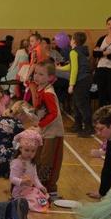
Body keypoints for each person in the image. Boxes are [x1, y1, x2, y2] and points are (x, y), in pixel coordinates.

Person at [28, 61, 65, 197]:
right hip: (45, 132)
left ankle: (50, 190)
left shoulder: (48, 93)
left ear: (50, 77)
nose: (36, 76)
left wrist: (40, 124)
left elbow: (53, 114)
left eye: (41, 74)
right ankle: (40, 186)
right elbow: (42, 109)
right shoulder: (41, 89)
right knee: (40, 159)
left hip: (53, 133)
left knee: (48, 162)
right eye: (35, 73)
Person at [0, 100, 34, 177]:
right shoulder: (17, 124)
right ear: (21, 114)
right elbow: (23, 144)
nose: (27, 119)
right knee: (27, 148)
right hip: (0, 164)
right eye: (27, 116)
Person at [57, 32, 93, 136]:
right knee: (77, 104)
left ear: (74, 40)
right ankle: (78, 125)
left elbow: (74, 69)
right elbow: (72, 66)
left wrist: (71, 84)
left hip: (81, 80)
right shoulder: (80, 50)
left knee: (82, 105)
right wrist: (59, 68)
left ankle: (88, 128)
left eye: (71, 38)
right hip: (85, 79)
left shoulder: (73, 52)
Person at [10, 129, 50, 213]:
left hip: (29, 190)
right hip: (19, 191)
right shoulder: (17, 162)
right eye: (27, 150)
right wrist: (22, 181)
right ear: (20, 148)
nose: (30, 153)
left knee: (43, 197)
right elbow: (12, 178)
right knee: (35, 200)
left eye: (33, 151)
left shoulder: (32, 163)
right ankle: (21, 203)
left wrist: (41, 187)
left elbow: (35, 177)